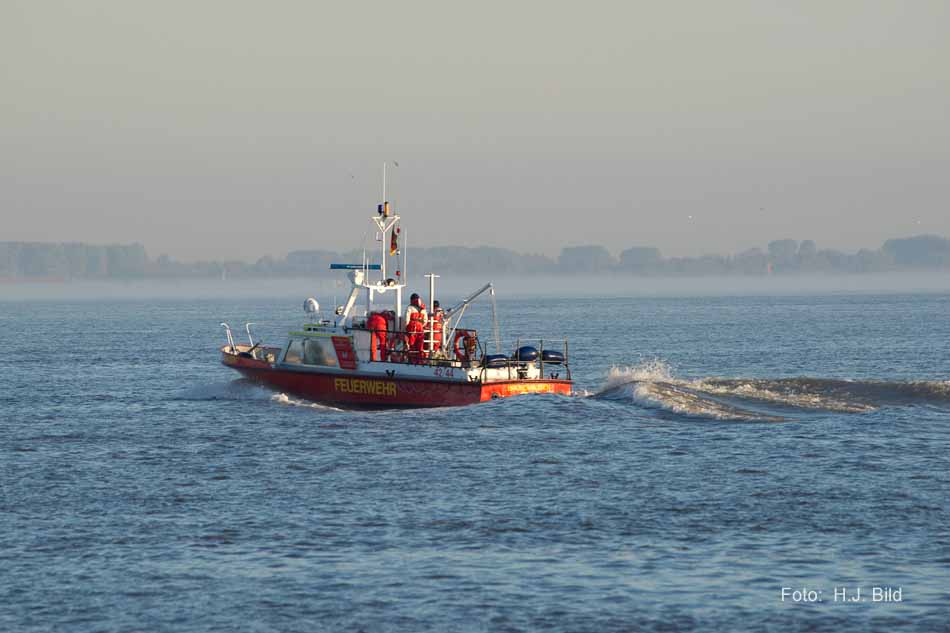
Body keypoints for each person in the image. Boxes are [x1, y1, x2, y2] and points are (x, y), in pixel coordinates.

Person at [405, 293, 428, 362]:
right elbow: (425, 321)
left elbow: (406, 319)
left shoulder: (410, 308)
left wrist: (406, 328)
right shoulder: (423, 309)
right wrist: (421, 325)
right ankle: (420, 361)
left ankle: (412, 361)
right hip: (420, 328)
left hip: (412, 328)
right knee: (420, 346)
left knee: (412, 346)